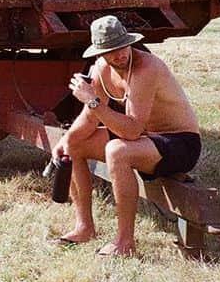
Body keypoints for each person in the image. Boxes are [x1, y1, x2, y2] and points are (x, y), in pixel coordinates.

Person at [52, 14, 201, 257]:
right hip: (145, 139)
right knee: (75, 146)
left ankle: (125, 242)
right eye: (112, 50)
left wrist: (92, 100)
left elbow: (131, 130)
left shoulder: (146, 68)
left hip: (180, 142)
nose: (120, 54)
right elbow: (90, 119)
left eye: (123, 46)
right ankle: (84, 227)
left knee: (117, 151)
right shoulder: (101, 68)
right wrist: (66, 140)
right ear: (99, 52)